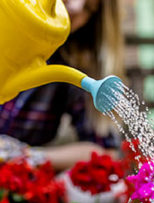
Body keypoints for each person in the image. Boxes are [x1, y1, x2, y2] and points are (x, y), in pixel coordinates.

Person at [0, 0, 125, 171]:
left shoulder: (73, 64)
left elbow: (107, 152)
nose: (75, 8)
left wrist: (26, 155)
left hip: (15, 181)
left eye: (89, 8)